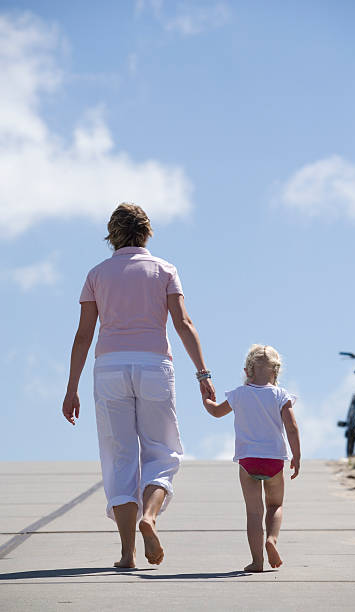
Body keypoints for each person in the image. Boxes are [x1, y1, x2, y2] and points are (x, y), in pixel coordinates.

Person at [62, 203, 215, 569]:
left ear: (111, 234)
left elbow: (84, 336)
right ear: (146, 232)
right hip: (154, 366)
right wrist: (203, 374)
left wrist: (71, 388)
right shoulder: (164, 269)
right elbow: (183, 323)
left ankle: (126, 554)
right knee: (162, 451)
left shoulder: (97, 274)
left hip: (110, 368)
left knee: (120, 458)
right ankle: (151, 516)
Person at [202, 344, 300, 572]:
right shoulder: (281, 395)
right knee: (275, 504)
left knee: (254, 512)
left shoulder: (238, 394)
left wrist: (206, 400)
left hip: (248, 461)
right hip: (274, 460)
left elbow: (216, 412)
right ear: (276, 372)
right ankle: (272, 540)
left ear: (247, 371)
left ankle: (257, 561)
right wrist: (297, 455)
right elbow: (292, 428)